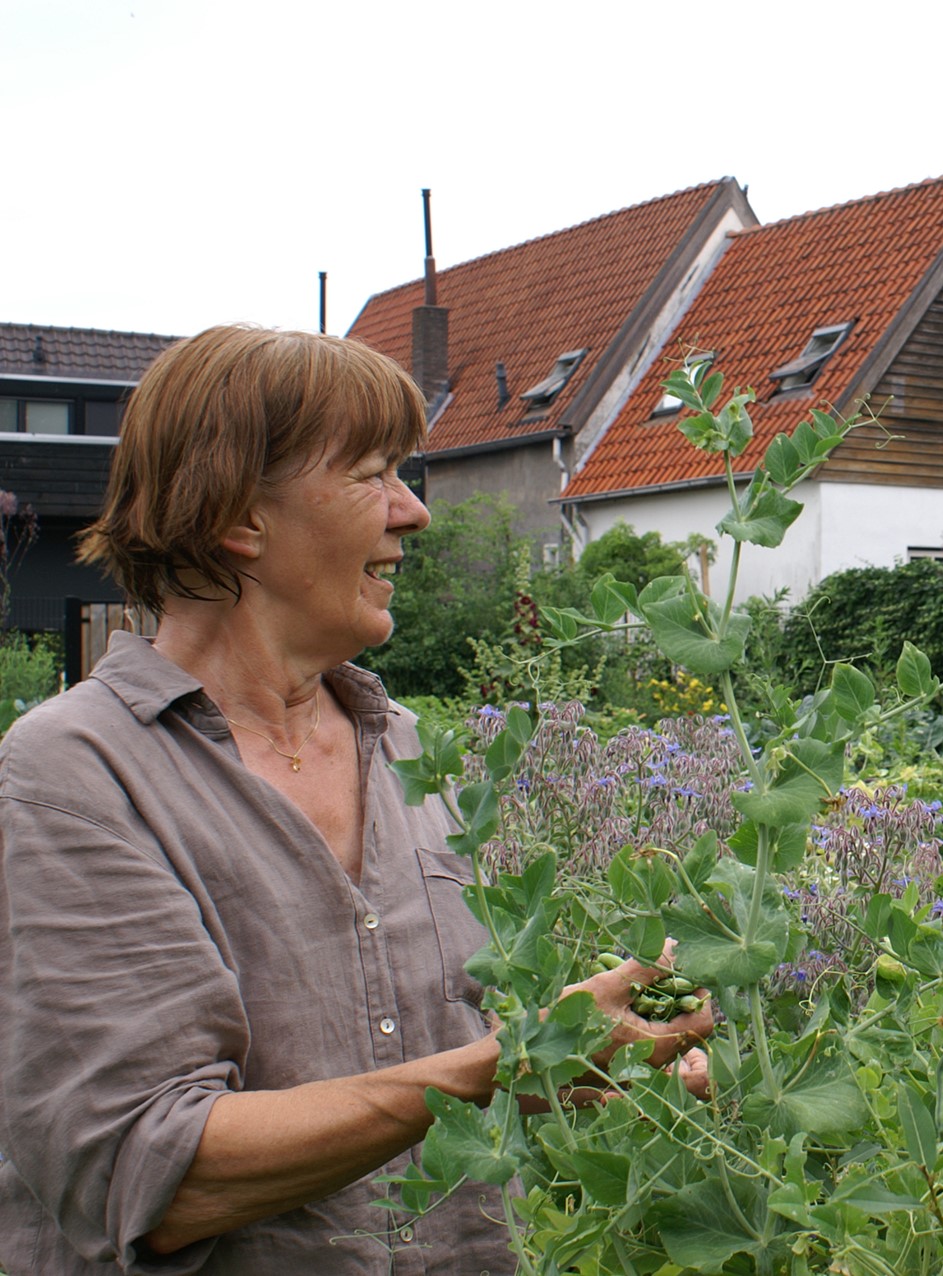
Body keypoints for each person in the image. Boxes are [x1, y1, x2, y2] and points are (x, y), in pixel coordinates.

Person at [0, 325, 711, 1273]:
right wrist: (508, 1067)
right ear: (242, 517)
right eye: (374, 474)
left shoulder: (407, 747)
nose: (413, 512)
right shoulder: (76, 775)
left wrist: (587, 1039)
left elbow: (432, 1043)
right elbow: (149, 1173)